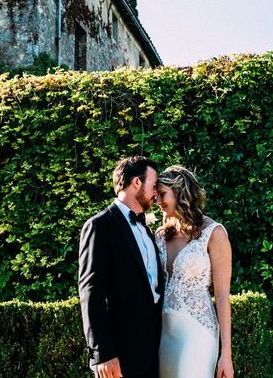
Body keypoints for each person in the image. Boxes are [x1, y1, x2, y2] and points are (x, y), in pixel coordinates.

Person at [79, 156, 165, 378]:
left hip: (152, 350)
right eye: (153, 184)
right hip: (119, 352)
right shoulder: (99, 226)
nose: (157, 192)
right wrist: (102, 354)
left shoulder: (147, 232)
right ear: (136, 182)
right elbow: (91, 293)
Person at [154, 166, 234, 378]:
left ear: (180, 192)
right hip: (164, 334)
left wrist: (226, 353)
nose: (157, 202)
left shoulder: (213, 233)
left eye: (162, 195)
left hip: (198, 332)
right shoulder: (160, 236)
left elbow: (223, 295)